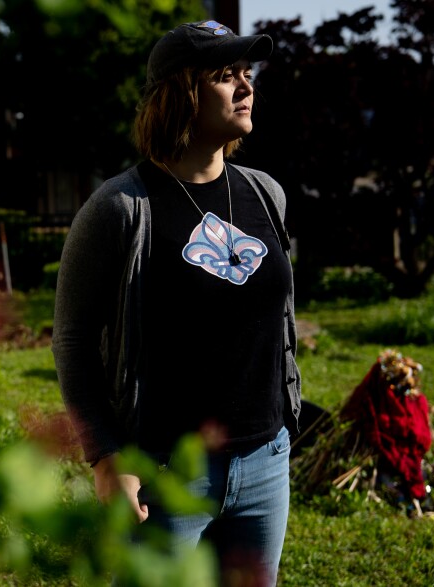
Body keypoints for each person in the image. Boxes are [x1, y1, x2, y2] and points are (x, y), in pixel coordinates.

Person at [51, 20, 302, 586]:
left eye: (247, 73)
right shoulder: (120, 209)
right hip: (165, 473)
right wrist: (106, 455)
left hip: (265, 462)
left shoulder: (267, 193)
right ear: (180, 94)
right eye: (224, 75)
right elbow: (71, 340)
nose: (245, 86)